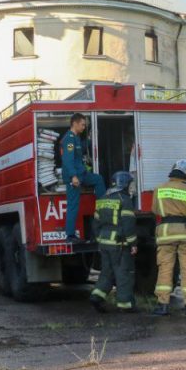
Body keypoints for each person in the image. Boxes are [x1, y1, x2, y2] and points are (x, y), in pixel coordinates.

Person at [152, 160, 186, 317]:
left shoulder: (159, 189)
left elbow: (155, 210)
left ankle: (162, 305)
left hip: (165, 233)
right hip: (185, 233)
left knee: (165, 268)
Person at [90, 172, 137, 313]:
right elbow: (128, 224)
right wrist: (133, 243)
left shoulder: (103, 199)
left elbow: (96, 224)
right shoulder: (125, 200)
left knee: (106, 272)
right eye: (129, 184)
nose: (130, 187)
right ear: (123, 183)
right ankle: (125, 305)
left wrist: (100, 240)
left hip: (104, 242)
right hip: (119, 244)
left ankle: (96, 296)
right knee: (124, 274)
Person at [60, 113, 106, 242]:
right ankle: (70, 235)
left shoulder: (77, 138)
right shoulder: (69, 139)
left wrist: (91, 139)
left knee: (98, 179)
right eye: (82, 124)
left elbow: (81, 148)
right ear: (74, 123)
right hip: (74, 177)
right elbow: (68, 159)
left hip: (82, 174)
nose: (84, 127)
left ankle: (103, 209)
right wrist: (73, 176)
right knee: (73, 205)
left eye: (85, 125)